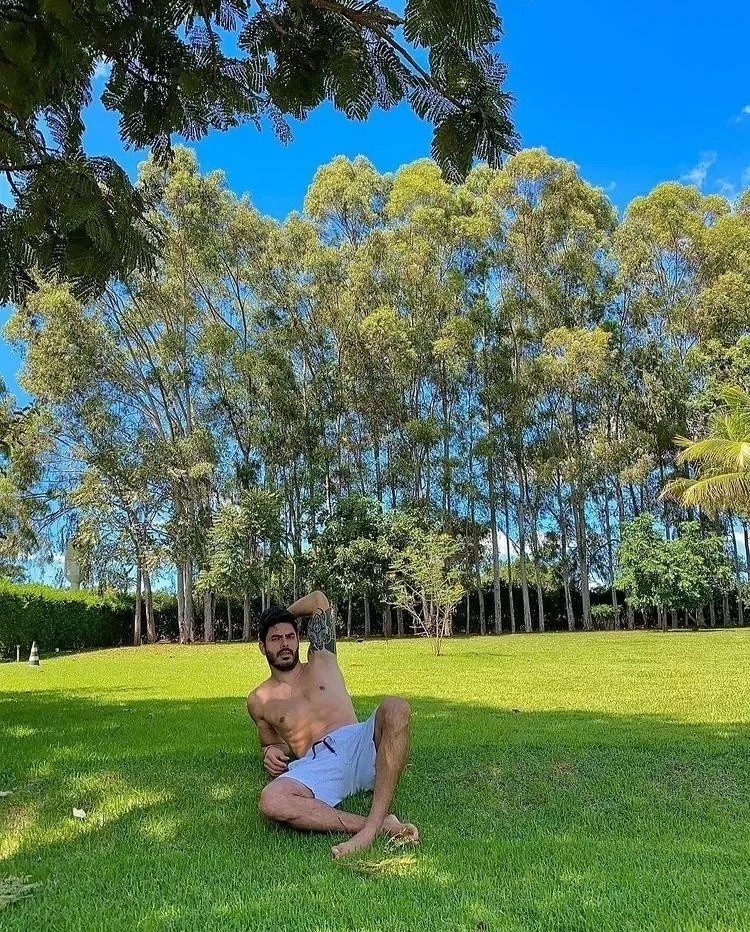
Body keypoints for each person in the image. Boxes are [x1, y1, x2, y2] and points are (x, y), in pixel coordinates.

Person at [247, 589, 419, 858]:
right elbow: (273, 744)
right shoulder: (259, 700)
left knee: (397, 707)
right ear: (262, 646)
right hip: (317, 764)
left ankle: (369, 831)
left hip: (358, 744)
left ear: (298, 639)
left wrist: (281, 615)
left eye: (290, 636)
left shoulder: (322, 659)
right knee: (272, 800)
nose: (284, 644)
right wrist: (269, 751)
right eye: (275, 638)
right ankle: (381, 825)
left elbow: (318, 600)